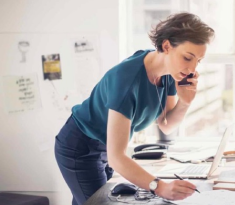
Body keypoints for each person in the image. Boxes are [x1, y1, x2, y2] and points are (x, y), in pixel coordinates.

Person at [54, 12, 214, 205]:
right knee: (98, 202)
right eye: (188, 57)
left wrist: (185, 102)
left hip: (106, 147)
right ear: (166, 46)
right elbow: (117, 157)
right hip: (80, 146)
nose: (193, 68)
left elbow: (166, 125)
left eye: (198, 60)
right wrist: (160, 187)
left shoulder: (172, 73)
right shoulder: (127, 80)